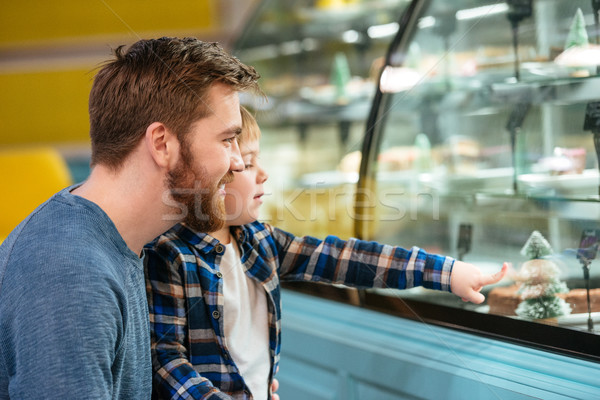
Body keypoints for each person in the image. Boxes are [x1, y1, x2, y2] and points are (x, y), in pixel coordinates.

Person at [144, 107, 508, 399]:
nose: (263, 174)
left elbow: (344, 259)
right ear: (219, 172)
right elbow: (166, 359)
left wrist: (444, 272)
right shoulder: (171, 254)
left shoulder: (258, 240)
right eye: (250, 162)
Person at [0, 37, 260, 399]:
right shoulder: (72, 276)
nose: (237, 162)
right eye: (227, 140)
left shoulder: (126, 238)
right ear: (162, 144)